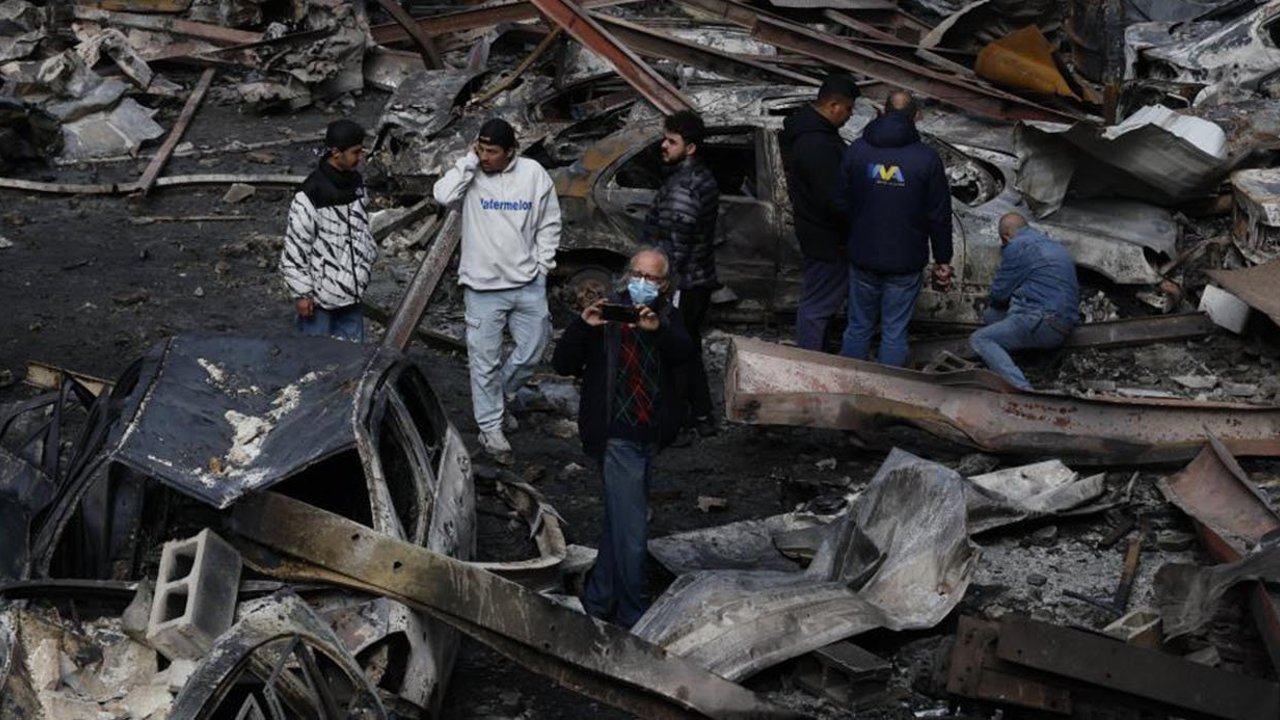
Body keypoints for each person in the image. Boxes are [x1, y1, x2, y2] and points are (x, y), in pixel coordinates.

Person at [551, 248, 694, 628]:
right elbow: (562, 364)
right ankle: (635, 613)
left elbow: (685, 354)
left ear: (665, 284)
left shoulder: (667, 316)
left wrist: (657, 329)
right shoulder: (606, 312)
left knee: (620, 521)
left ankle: (599, 601)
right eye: (638, 275)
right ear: (628, 275)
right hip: (616, 435)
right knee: (633, 531)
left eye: (652, 278)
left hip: (650, 434)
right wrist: (584, 326)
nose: (643, 284)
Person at [433, 118, 561, 462]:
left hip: (527, 283)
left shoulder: (533, 174)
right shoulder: (470, 172)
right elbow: (442, 195)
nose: (485, 157)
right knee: (484, 362)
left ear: (511, 151)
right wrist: (469, 161)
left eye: (492, 152)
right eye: (481, 149)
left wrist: (542, 267)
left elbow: (549, 222)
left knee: (534, 348)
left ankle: (500, 397)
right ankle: (490, 428)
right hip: (482, 288)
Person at [836, 90, 952, 366]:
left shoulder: (858, 150)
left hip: (863, 255)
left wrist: (851, 236)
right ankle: (887, 387)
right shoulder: (926, 158)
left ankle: (848, 383)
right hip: (905, 260)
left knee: (858, 326)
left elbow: (840, 201)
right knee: (894, 332)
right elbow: (939, 215)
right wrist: (943, 259)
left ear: (883, 111)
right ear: (916, 116)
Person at [639, 109, 719, 438]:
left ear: (691, 148)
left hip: (682, 283)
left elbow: (675, 245)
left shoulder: (683, 188)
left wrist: (662, 286)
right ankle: (702, 415)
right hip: (697, 280)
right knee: (688, 348)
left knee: (674, 352)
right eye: (665, 138)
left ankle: (680, 421)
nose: (663, 145)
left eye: (671, 141)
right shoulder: (700, 177)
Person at [780, 74, 860, 352]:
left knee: (820, 303)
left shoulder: (816, 135)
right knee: (818, 306)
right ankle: (810, 362)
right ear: (833, 105)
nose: (850, 115)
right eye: (848, 108)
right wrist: (851, 227)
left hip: (819, 233)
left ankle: (815, 355)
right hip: (827, 238)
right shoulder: (817, 144)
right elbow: (832, 198)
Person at [281, 119, 376, 342]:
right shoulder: (310, 193)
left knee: (353, 357)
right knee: (316, 356)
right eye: (355, 152)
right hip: (319, 301)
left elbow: (361, 228)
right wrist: (301, 293)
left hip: (352, 294)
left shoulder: (356, 184)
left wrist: (368, 257)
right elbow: (296, 247)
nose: (360, 157)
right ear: (336, 153)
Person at [969, 213, 1079, 390]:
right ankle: (1026, 364)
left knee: (981, 339)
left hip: (1043, 321)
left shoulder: (1016, 246)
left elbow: (999, 294)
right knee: (992, 316)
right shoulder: (1053, 243)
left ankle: (1021, 389)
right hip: (1064, 322)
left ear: (1006, 236)